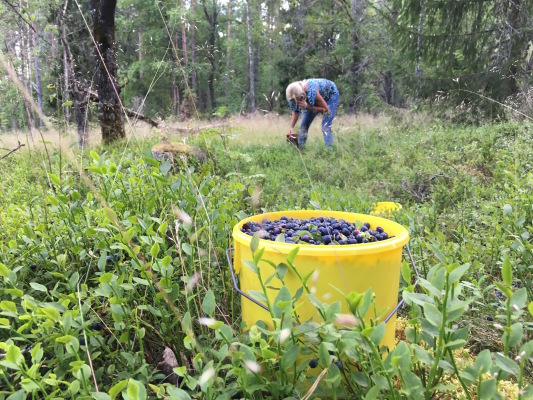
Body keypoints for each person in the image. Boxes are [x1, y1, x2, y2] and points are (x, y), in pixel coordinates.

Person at [285, 79, 339, 148]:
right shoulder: (292, 97)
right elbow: (295, 111)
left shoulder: (311, 92)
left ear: (301, 96)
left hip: (331, 95)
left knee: (325, 126)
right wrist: (291, 127)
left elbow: (326, 110)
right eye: (291, 101)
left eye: (294, 101)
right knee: (303, 126)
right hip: (313, 98)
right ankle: (301, 150)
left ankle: (329, 151)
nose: (292, 102)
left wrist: (308, 107)